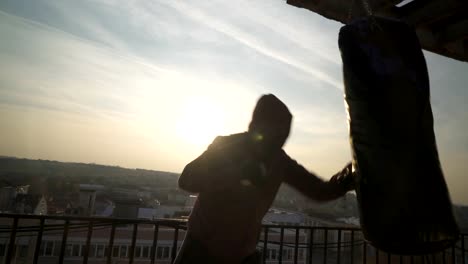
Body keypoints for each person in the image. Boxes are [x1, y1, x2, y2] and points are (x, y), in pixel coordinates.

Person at [175, 94, 354, 264]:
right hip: (202, 254)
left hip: (238, 257)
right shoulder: (227, 147)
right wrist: (231, 174)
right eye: (276, 132)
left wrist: (351, 175)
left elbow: (318, 190)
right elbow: (187, 179)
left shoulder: (278, 160)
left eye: (281, 135)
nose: (277, 140)